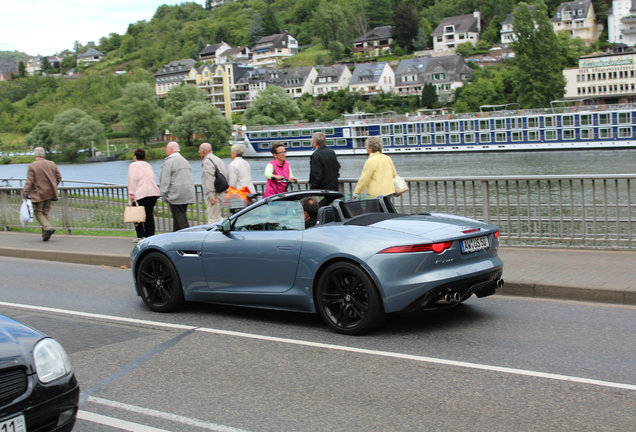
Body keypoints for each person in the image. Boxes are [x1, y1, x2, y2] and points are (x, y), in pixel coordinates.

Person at [22, 146, 62, 241]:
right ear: (43, 154)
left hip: (38, 193)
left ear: (35, 154)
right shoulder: (51, 164)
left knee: (38, 212)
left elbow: (29, 181)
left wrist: (25, 192)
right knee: (45, 212)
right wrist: (53, 186)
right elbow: (59, 178)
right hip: (50, 192)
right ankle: (45, 235)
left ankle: (48, 228)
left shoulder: (32, 166)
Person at [159, 141, 195, 231]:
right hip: (187, 192)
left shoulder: (169, 162)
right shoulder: (184, 160)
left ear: (171, 150)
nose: (166, 151)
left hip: (176, 194)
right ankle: (176, 236)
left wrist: (162, 194)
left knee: (180, 220)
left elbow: (165, 180)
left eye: (166, 149)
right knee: (178, 218)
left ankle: (188, 237)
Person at [127, 148, 160, 241]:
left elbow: (132, 179)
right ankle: (150, 236)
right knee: (149, 215)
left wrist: (131, 193)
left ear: (135, 157)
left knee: (137, 215)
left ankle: (140, 236)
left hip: (141, 193)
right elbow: (152, 177)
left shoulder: (133, 165)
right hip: (153, 193)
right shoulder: (148, 165)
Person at [199, 142, 227, 224]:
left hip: (214, 195)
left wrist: (211, 195)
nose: (199, 153)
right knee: (218, 217)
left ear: (203, 151)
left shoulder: (207, 161)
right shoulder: (218, 159)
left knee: (212, 219)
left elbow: (209, 178)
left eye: (199, 151)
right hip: (221, 192)